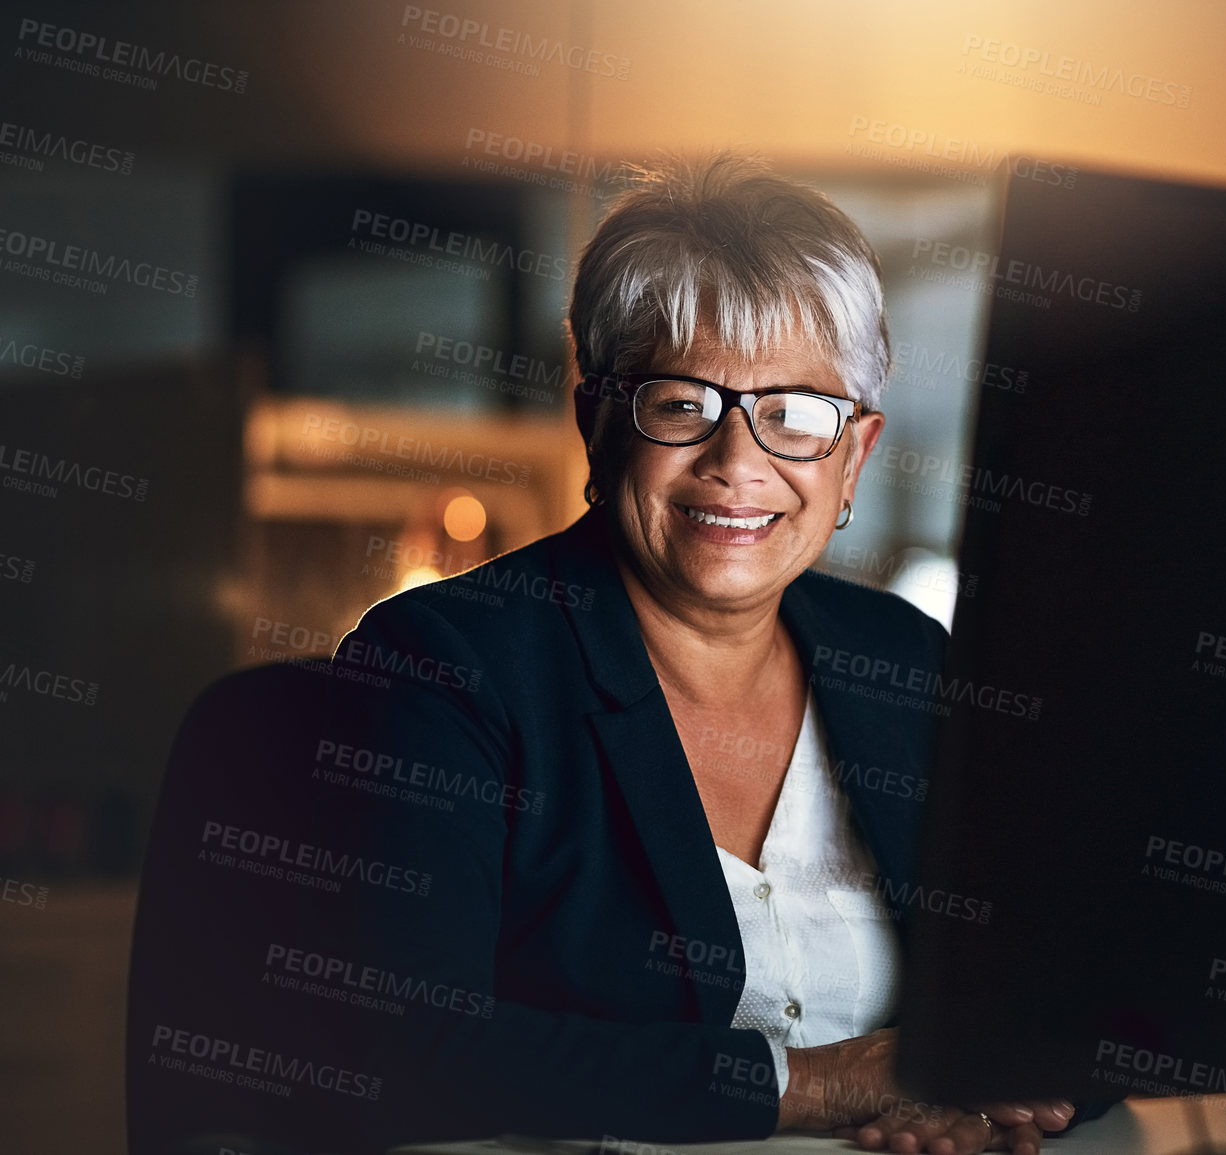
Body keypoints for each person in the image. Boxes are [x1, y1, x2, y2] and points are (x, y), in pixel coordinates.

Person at [298, 153, 1082, 1153]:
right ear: (596, 422)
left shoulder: (910, 662)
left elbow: (1053, 983)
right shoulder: (445, 665)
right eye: (682, 404)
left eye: (797, 415)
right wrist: (815, 1084)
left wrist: (1009, 1084)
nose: (738, 464)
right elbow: (412, 1048)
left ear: (858, 456)